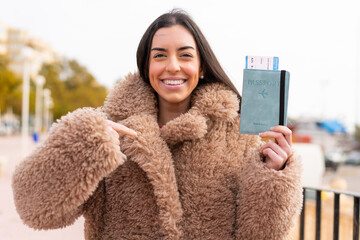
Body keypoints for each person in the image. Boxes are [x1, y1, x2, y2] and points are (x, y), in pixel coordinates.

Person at [12, 9, 302, 240]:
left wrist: (274, 180)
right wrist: (84, 147)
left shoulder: (238, 135)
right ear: (146, 66)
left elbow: (262, 235)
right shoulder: (107, 131)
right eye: (159, 55)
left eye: (185, 55)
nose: (173, 66)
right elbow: (36, 211)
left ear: (201, 68)